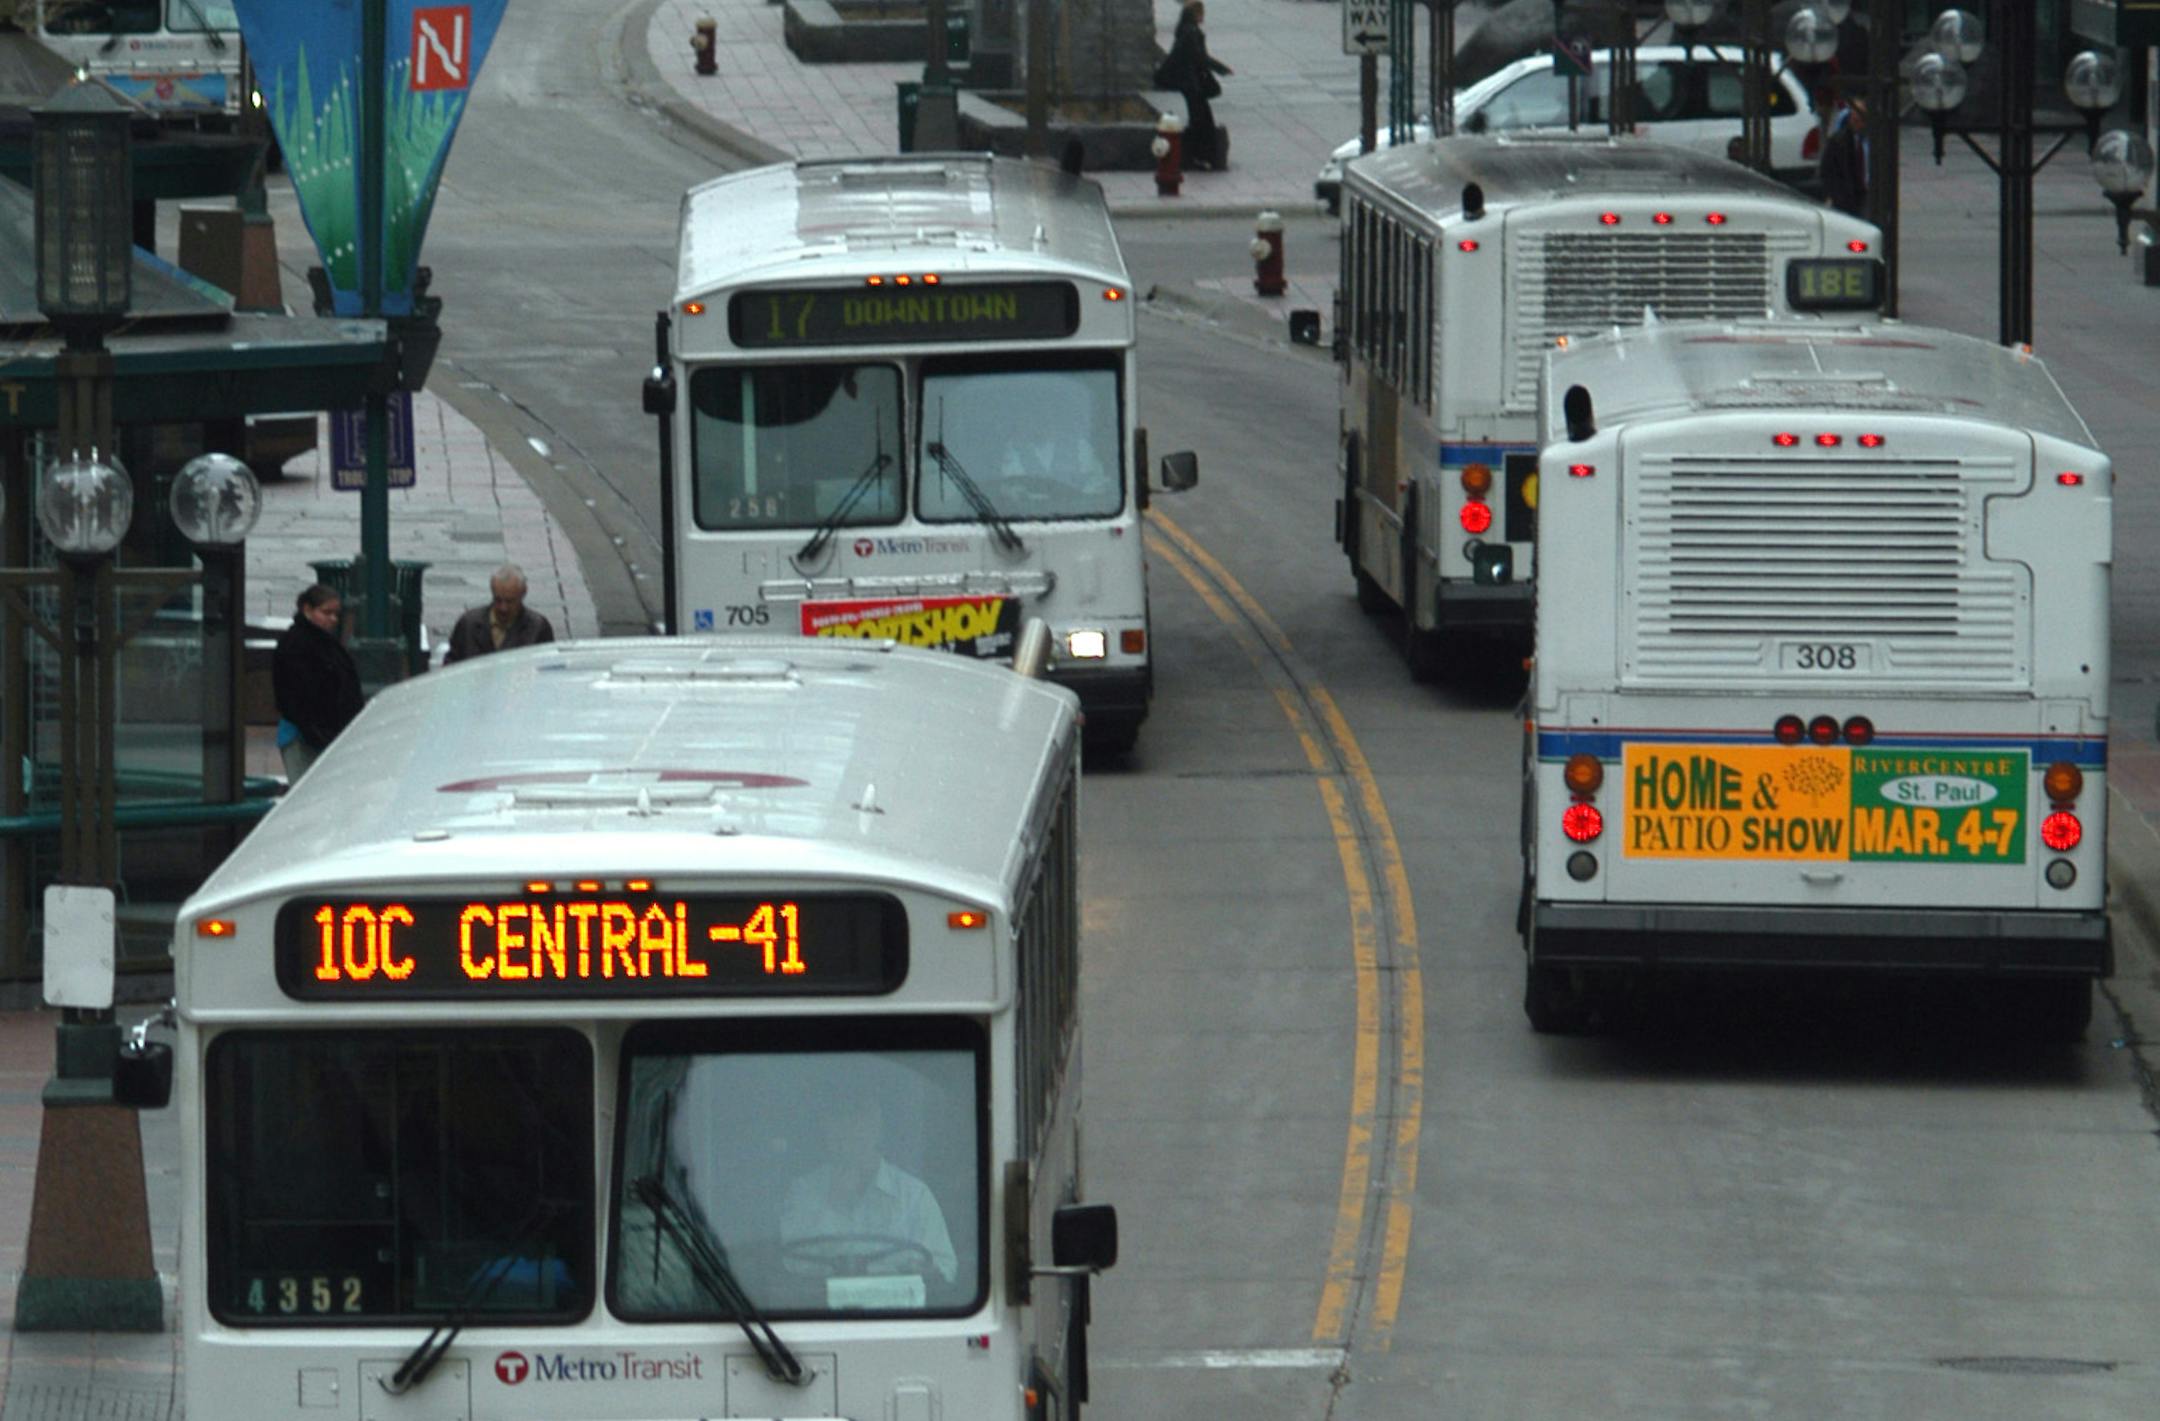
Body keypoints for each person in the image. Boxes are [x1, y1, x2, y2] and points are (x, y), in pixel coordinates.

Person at [779, 1094, 957, 1285]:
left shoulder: (914, 1195)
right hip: (818, 1310)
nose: (849, 1129)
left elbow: (945, 1270)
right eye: (839, 1118)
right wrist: (835, 1203)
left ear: (877, 1127)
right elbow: (790, 1266)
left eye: (858, 1117)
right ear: (825, 1128)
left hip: (899, 1312)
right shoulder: (802, 1192)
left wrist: (924, 1272)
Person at [272, 584, 365, 783]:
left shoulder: (325, 643)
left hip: (321, 734)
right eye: (326, 613)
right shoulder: (297, 645)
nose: (333, 619)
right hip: (305, 736)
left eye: (336, 614)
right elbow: (294, 698)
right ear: (307, 610)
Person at [1154, 1, 1231, 172]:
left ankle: (1203, 156)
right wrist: (1220, 68)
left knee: (1200, 118)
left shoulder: (1185, 30)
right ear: (1196, 14)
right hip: (1191, 83)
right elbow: (1199, 57)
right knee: (1201, 120)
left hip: (1190, 82)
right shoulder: (1191, 33)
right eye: (1202, 12)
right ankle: (1201, 156)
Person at [444, 563, 556, 663]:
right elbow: (450, 666)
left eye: (510, 601)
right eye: (498, 600)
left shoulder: (538, 628)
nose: (503, 608)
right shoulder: (468, 624)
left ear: (523, 594)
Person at [1819, 96, 1868, 218]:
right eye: (1854, 119)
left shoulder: (1873, 141)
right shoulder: (1838, 142)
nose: (1858, 124)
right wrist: (1835, 196)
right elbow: (1827, 171)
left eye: (1861, 120)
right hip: (1848, 198)